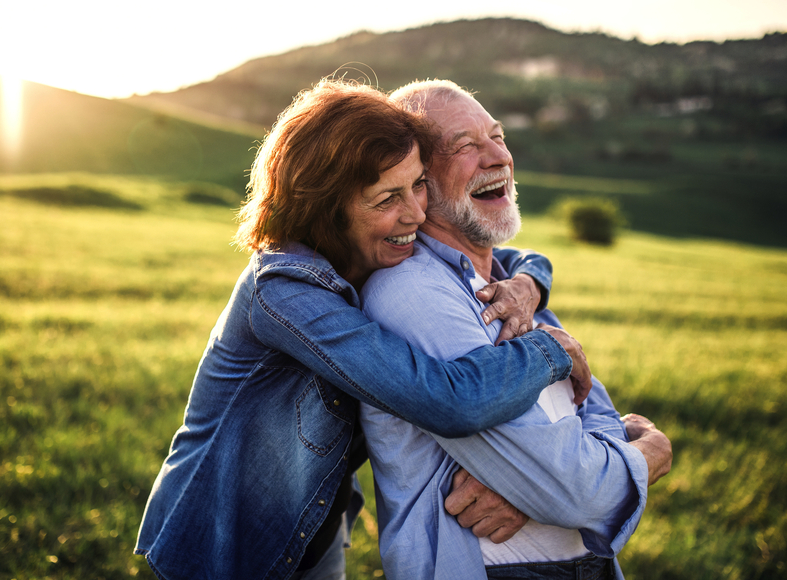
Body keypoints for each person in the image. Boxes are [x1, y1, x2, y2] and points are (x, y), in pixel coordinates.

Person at [133, 79, 594, 580]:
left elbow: (507, 257)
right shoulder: (284, 292)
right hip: (224, 546)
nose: (416, 213)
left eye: (418, 184)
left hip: (314, 532)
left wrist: (528, 283)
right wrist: (550, 351)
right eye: (386, 199)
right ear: (327, 209)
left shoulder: (370, 252)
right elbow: (445, 400)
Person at [359, 79, 673, 579]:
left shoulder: (513, 289)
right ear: (419, 182)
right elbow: (574, 491)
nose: (497, 158)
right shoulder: (412, 293)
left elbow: (597, 415)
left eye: (498, 137)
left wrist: (538, 491)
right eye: (465, 146)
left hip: (587, 564)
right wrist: (650, 452)